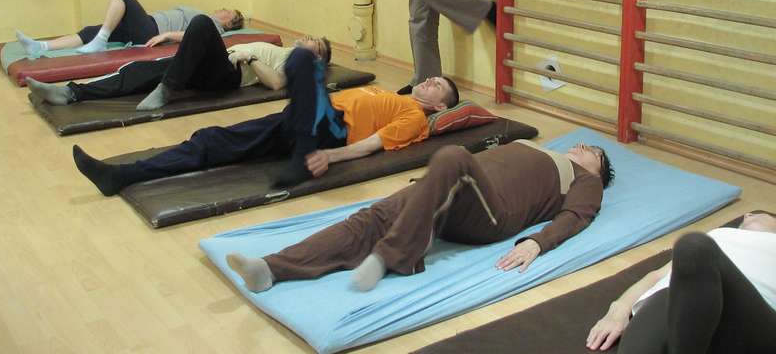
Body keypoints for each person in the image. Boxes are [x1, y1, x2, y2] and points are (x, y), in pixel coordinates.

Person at [225, 140, 614, 293]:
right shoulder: (540, 147)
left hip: (494, 213)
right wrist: (428, 188)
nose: (584, 147)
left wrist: (537, 243)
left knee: (454, 155)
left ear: (598, 170)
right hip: (451, 192)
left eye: (594, 152)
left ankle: (394, 256)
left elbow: (577, 216)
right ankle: (271, 268)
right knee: (371, 217)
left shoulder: (586, 180)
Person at [72, 47, 459, 194]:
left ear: (441, 106)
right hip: (303, 120)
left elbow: (372, 146)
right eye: (432, 77)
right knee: (211, 140)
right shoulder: (391, 94)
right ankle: (121, 175)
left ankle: (302, 156)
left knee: (303, 60)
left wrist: (326, 157)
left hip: (329, 131)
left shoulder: (414, 117)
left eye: (437, 85)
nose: (429, 80)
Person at [26, 12, 330, 111]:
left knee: (202, 22)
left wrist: (249, 57)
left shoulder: (297, 61)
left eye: (314, 43)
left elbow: (276, 83)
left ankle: (167, 88)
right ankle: (71, 92)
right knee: (140, 70)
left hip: (228, 75)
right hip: (217, 64)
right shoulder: (287, 50)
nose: (307, 37)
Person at [586, 212, 776, 354]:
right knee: (691, 253)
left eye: (764, 215)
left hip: (749, 314)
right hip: (672, 303)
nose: (748, 214)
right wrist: (619, 308)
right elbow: (656, 276)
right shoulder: (718, 235)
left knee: (693, 246)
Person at [15, 0, 243, 57]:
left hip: (151, 31)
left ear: (229, 22)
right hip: (147, 26)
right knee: (90, 31)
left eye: (227, 11)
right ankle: (40, 46)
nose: (222, 8)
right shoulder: (205, 15)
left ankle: (101, 41)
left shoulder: (215, 27)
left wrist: (166, 35)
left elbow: (193, 36)